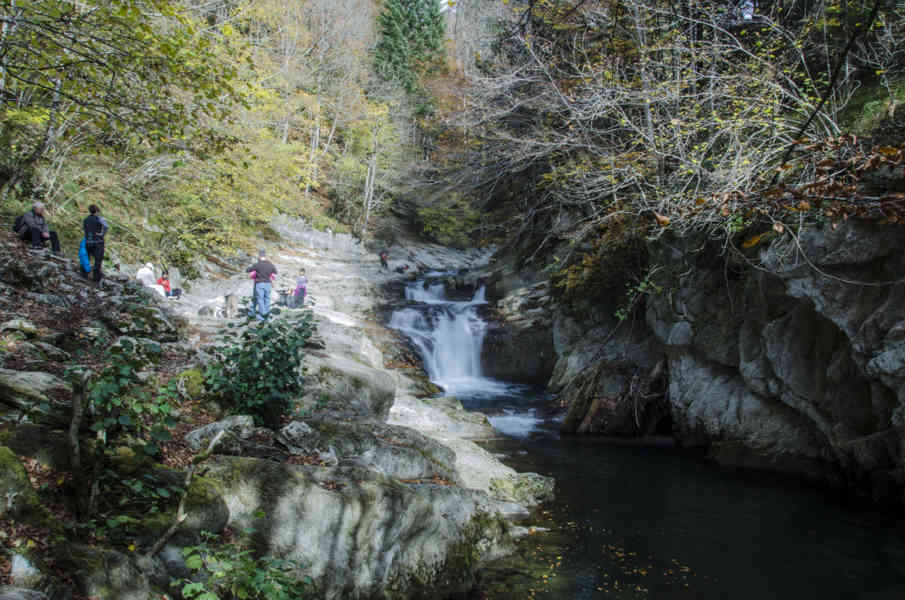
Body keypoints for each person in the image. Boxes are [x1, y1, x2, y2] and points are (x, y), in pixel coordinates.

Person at [246, 249, 277, 321]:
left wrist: (250, 267)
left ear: (259, 256)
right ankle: (267, 313)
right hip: (268, 284)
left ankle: (263, 315)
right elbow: (275, 272)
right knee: (267, 299)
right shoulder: (270, 264)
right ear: (265, 256)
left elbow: (248, 270)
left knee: (260, 299)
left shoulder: (257, 264)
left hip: (260, 283)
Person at [82, 204, 107, 282]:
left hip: (88, 241)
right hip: (98, 242)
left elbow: (85, 229)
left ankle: (84, 274)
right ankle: (96, 278)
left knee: (87, 258)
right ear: (96, 211)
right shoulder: (100, 219)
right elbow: (106, 226)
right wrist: (102, 234)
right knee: (98, 260)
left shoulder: (86, 219)